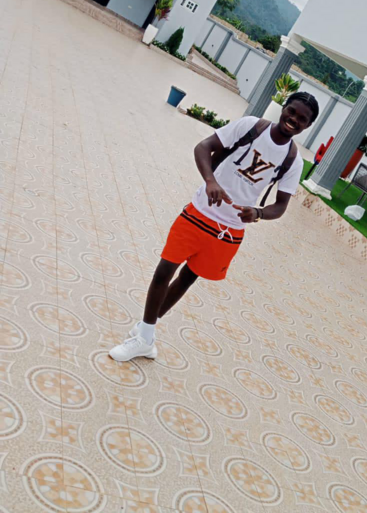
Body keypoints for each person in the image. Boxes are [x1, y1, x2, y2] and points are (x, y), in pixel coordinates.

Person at [109, 91, 320, 361]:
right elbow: (203, 147)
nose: (294, 119)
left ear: (308, 125)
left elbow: (280, 206)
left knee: (188, 278)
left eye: (302, 119)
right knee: (164, 271)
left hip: (229, 231)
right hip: (200, 211)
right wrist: (210, 181)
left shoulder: (293, 161)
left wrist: (257, 213)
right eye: (292, 111)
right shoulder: (251, 127)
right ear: (284, 108)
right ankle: (144, 339)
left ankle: (145, 331)